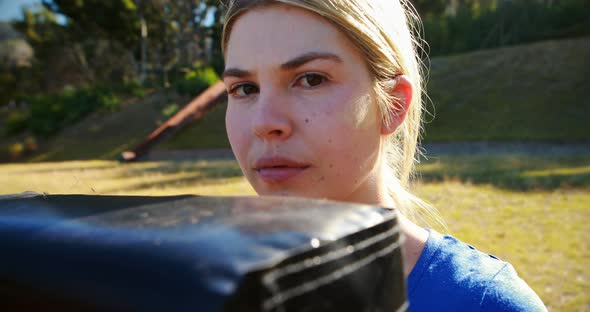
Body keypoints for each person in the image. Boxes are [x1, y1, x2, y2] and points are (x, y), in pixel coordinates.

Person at [220, 0, 546, 310]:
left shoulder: (483, 303)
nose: (264, 123)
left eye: (311, 79)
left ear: (393, 104)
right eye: (244, 89)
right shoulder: (201, 289)